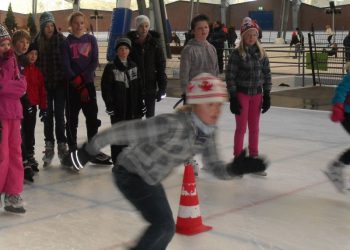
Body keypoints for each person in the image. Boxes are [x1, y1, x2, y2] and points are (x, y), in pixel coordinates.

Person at [62, 72, 267, 250]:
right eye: (210, 104)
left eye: (219, 105)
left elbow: (214, 167)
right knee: (163, 226)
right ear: (195, 104)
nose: (216, 111)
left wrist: (235, 169)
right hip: (130, 173)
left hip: (150, 179)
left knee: (166, 229)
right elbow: (121, 132)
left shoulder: (207, 133)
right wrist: (87, 152)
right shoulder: (172, 125)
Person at [62, 11, 112, 165]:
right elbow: (66, 65)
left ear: (85, 24)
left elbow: (94, 62)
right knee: (71, 120)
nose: (79, 25)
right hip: (72, 87)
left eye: (81, 23)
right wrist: (76, 81)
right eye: (76, 23)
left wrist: (83, 81)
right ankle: (72, 149)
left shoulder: (91, 40)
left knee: (92, 118)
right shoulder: (66, 43)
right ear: (71, 25)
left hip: (88, 85)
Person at [225, 17, 272, 176]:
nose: (251, 38)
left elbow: (267, 74)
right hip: (242, 94)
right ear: (243, 36)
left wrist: (267, 93)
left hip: (257, 95)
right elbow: (230, 75)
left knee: (254, 128)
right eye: (248, 35)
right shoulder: (237, 54)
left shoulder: (262, 53)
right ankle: (238, 160)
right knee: (241, 128)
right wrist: (233, 96)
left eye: (254, 34)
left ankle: (253, 157)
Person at [101, 37, 144, 164]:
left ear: (129, 51)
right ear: (117, 51)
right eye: (121, 49)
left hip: (132, 106)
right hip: (118, 106)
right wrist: (109, 104)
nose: (123, 51)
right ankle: (117, 161)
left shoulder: (133, 66)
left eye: (126, 48)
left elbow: (139, 86)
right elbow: (106, 88)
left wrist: (140, 103)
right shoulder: (111, 67)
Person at [34, 11, 68, 167]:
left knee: (60, 117)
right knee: (47, 117)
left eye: (51, 25)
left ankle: (62, 146)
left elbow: (66, 62)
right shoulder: (36, 42)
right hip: (45, 87)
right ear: (42, 27)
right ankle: (49, 147)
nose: (49, 28)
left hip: (59, 85)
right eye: (46, 26)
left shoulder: (61, 40)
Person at [0, 24, 27, 213]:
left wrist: (12, 86)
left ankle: (13, 193)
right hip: (1, 115)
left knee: (16, 155)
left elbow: (22, 85)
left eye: (8, 44)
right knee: (1, 156)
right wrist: (12, 86)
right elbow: (3, 85)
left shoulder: (12, 60)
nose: (7, 48)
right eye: (2, 44)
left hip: (14, 114)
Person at [126, 15, 167, 118]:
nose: (144, 29)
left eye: (146, 26)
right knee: (135, 115)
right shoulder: (129, 43)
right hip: (135, 86)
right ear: (136, 27)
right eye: (141, 26)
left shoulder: (155, 44)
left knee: (150, 116)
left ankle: (149, 134)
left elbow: (161, 66)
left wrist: (162, 87)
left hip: (150, 86)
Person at [12, 29, 36, 181]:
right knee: (16, 133)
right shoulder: (11, 59)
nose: (25, 45)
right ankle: (23, 161)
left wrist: (27, 101)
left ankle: (25, 158)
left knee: (22, 130)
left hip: (18, 102)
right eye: (21, 42)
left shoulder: (22, 59)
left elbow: (23, 85)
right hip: (9, 103)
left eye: (27, 42)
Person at [324, 62, 350, 192]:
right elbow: (341, 89)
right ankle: (336, 167)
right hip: (347, 113)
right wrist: (338, 106)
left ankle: (337, 166)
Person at [22, 43, 47, 177]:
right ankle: (23, 157)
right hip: (21, 106)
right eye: (31, 53)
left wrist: (43, 107)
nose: (33, 56)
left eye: (36, 54)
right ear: (26, 54)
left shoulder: (37, 71)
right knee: (22, 133)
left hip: (32, 106)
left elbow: (42, 90)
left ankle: (30, 156)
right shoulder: (22, 69)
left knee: (30, 132)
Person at [180, 14, 219, 98]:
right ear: (193, 31)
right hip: (194, 94)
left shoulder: (212, 48)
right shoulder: (188, 50)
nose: (204, 30)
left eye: (206, 27)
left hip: (210, 92)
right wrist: (185, 92)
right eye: (200, 28)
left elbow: (216, 70)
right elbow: (184, 73)